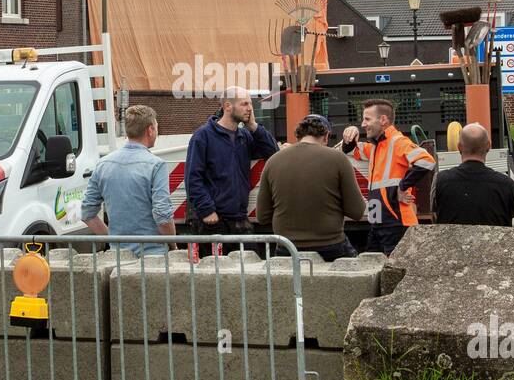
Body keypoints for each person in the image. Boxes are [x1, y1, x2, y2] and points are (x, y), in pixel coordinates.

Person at [256, 114, 366, 261]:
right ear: (326, 136)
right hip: (331, 246)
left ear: (299, 135)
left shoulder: (273, 161)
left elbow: (262, 216)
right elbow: (357, 211)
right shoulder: (338, 159)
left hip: (287, 248)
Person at [184, 86, 279, 247]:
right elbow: (193, 178)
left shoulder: (244, 136)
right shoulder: (203, 136)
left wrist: (254, 126)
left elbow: (273, 152)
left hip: (239, 219)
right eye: (244, 104)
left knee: (249, 267)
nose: (250, 108)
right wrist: (207, 210)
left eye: (250, 104)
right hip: (212, 221)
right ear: (228, 106)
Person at [340, 98, 436, 255]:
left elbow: (427, 161)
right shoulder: (376, 147)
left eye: (367, 119)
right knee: (371, 262)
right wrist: (350, 133)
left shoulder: (398, 142)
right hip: (378, 222)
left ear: (383, 120)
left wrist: (403, 186)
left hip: (397, 223)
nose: (363, 124)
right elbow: (351, 151)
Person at [81, 105, 176, 255]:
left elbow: (87, 213)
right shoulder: (156, 165)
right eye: (157, 128)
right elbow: (163, 216)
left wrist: (113, 239)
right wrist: (173, 246)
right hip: (153, 257)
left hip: (118, 259)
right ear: (150, 130)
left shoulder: (103, 164)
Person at [431, 122, 514, 227]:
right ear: (488, 146)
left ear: (459, 147)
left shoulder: (439, 180)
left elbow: (434, 215)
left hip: (452, 243)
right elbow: (511, 219)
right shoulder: (508, 184)